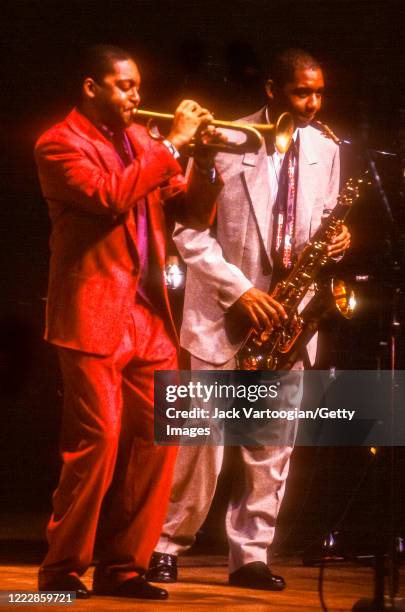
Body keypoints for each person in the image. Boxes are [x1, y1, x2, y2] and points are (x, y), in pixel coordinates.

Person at [148, 48, 351, 590]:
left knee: (271, 445)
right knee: (199, 443)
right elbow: (189, 232)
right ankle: (167, 543)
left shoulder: (327, 149)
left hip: (287, 313)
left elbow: (321, 221)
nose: (312, 104)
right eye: (300, 93)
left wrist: (335, 242)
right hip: (224, 308)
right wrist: (239, 292)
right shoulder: (225, 138)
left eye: (318, 93)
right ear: (271, 91)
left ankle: (251, 555)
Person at [34, 44, 222, 600]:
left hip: (149, 316)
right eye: (123, 86)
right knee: (99, 440)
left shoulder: (141, 139)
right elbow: (110, 196)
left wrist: (204, 161)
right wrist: (173, 145)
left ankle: (124, 567)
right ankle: (61, 571)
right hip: (93, 314)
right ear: (92, 87)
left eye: (138, 86)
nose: (136, 97)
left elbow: (192, 212)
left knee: (158, 440)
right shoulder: (58, 142)